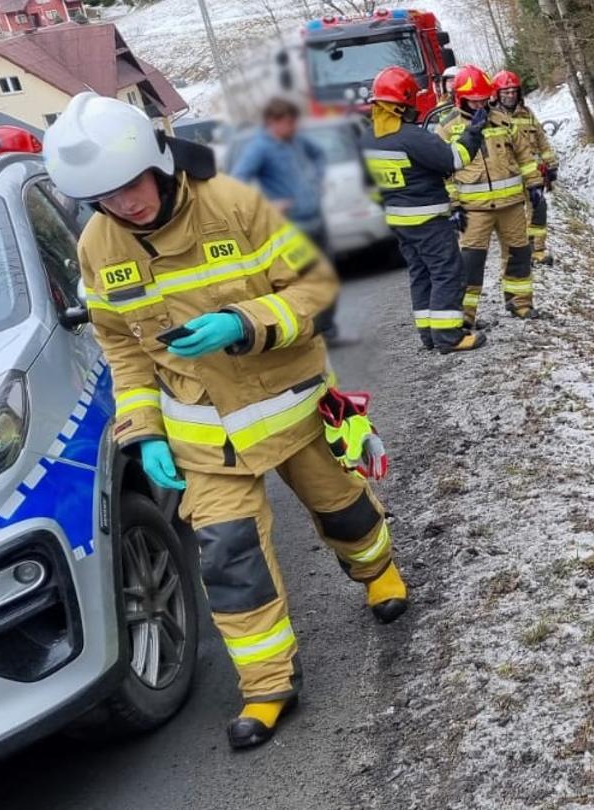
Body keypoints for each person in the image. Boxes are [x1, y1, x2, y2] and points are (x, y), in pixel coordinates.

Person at [43, 92, 408, 750]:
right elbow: (122, 349)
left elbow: (314, 288)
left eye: (130, 185)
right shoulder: (99, 245)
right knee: (230, 559)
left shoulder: (233, 203)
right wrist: (145, 429)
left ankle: (378, 573)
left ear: (156, 161)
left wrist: (245, 322)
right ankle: (269, 686)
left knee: (344, 509)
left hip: (294, 405)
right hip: (208, 438)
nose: (126, 204)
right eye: (106, 196)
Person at [360, 66, 490, 352]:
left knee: (420, 274)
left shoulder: (368, 139)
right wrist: (474, 133)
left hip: (398, 220)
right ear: (403, 104)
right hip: (428, 218)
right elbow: (454, 159)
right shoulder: (412, 137)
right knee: (447, 272)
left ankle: (429, 336)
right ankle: (448, 337)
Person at [436, 65, 540, 324]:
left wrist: (534, 183)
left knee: (519, 254)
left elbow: (524, 154)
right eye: (475, 99)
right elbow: (443, 170)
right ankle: (466, 317)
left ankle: (520, 304)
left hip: (512, 205)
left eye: (484, 98)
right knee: (471, 264)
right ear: (460, 97)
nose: (481, 103)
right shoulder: (448, 128)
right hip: (474, 210)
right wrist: (454, 206)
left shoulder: (503, 120)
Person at [229, 98, 338, 341]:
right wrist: (267, 205)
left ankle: (328, 329)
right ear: (272, 122)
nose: (293, 127)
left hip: (315, 219)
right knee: (306, 281)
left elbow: (319, 155)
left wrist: (316, 179)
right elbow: (237, 182)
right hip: (293, 228)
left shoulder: (297, 141)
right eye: (288, 122)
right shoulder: (260, 148)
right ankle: (314, 330)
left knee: (328, 276)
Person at [494, 70, 559, 267]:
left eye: (513, 91)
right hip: (507, 177)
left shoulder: (527, 113)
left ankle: (537, 249)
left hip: (532, 174)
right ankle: (519, 253)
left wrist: (551, 164)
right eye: (505, 92)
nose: (510, 95)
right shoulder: (491, 117)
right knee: (513, 219)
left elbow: (541, 139)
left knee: (539, 209)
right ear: (497, 94)